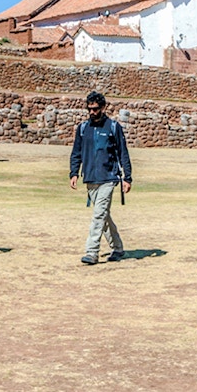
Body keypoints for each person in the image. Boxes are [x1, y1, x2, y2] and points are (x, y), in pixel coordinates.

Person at [70, 91, 132, 265]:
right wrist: (74, 172)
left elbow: (123, 153)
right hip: (90, 178)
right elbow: (76, 152)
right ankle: (118, 247)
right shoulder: (83, 129)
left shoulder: (113, 127)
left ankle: (92, 252)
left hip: (109, 178)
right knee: (103, 216)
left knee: (98, 215)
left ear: (103, 108)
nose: (92, 112)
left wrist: (127, 177)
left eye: (96, 109)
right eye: (89, 109)